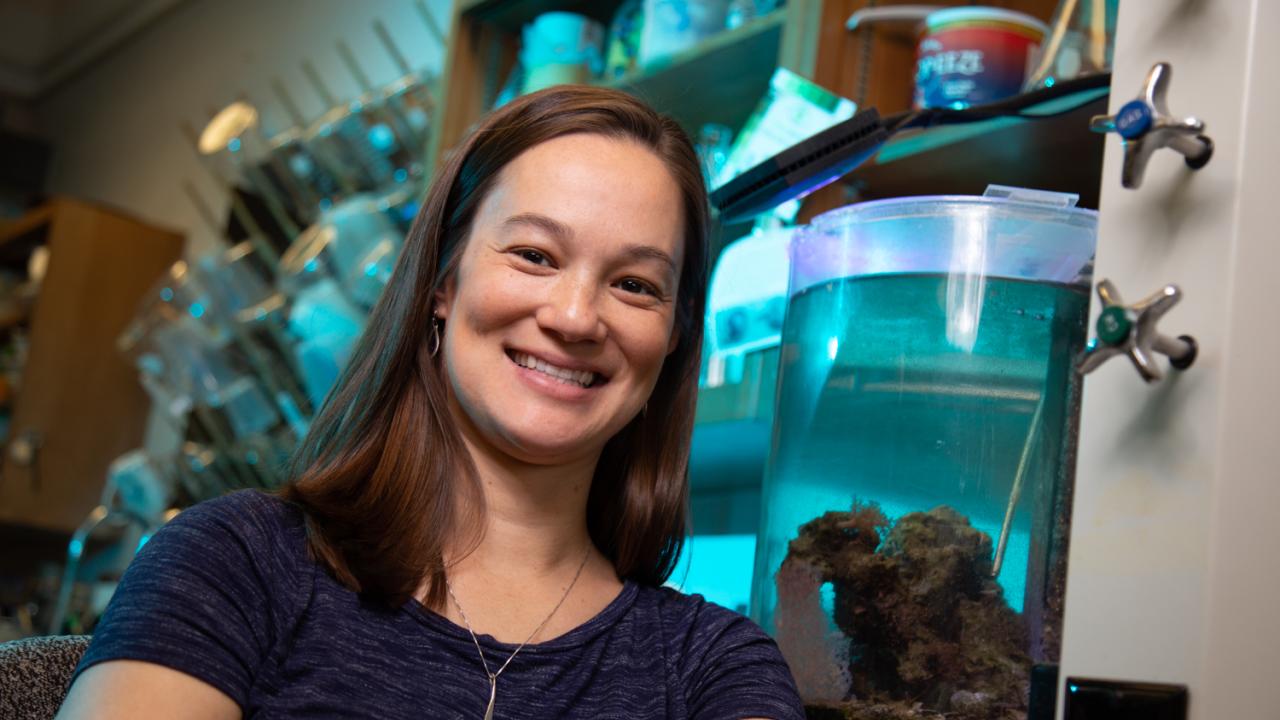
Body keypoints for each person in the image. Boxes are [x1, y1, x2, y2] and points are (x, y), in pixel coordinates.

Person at [57, 85, 804, 719]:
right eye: (535, 256)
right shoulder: (237, 563)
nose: (577, 317)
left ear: (672, 337)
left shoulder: (714, 672)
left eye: (635, 285)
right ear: (442, 286)